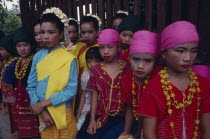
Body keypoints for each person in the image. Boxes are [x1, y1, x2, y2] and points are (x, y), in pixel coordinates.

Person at [137, 21, 210, 139]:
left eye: (194, 51)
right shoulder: (154, 88)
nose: (188, 58)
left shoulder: (204, 86)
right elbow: (149, 133)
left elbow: (207, 130)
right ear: (163, 53)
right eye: (180, 51)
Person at [27, 7, 78, 139]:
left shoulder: (69, 58)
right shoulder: (37, 57)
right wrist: (42, 111)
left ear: (61, 33)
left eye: (51, 32)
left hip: (63, 111)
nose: (45, 36)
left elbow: (71, 90)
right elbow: (31, 85)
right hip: (43, 114)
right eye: (42, 32)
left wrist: (43, 104)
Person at [76, 29, 130, 139]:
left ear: (118, 47)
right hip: (99, 114)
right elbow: (94, 96)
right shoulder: (97, 69)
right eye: (102, 47)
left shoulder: (127, 68)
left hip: (121, 117)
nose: (105, 52)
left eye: (110, 47)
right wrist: (91, 120)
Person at [119, 30, 160, 139]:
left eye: (147, 60)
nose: (140, 66)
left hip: (157, 125)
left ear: (155, 62)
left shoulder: (160, 79)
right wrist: (126, 132)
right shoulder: (127, 79)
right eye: (136, 59)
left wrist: (139, 132)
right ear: (129, 58)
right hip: (135, 122)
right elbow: (130, 107)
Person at [11, 27, 40, 138]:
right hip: (19, 98)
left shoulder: (35, 60)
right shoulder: (16, 62)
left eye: (25, 45)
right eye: (19, 46)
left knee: (33, 127)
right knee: (21, 127)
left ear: (31, 46)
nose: (22, 49)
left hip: (30, 98)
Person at [76, 47, 104, 130]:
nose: (92, 64)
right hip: (87, 108)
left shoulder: (105, 76)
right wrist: (78, 113)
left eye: (96, 61)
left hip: (101, 110)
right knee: (79, 128)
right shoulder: (85, 75)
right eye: (89, 61)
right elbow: (83, 96)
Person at [0, 36, 18, 135]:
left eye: (2, 49)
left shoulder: (15, 63)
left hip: (13, 96)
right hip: (8, 96)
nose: (0, 52)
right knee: (11, 116)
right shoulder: (7, 62)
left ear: (9, 49)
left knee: (15, 116)